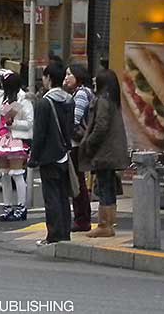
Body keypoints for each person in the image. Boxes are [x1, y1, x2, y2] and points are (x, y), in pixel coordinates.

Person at [79, 69, 130, 238]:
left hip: (104, 152)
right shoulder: (113, 101)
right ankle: (109, 223)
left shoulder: (102, 101)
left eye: (96, 80)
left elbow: (100, 126)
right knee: (108, 187)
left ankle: (104, 225)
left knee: (104, 187)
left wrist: (89, 143)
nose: (94, 82)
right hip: (112, 151)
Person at [28, 62, 75, 245]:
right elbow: (71, 128)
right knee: (63, 196)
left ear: (48, 78)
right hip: (64, 153)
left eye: (45, 77)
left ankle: (54, 235)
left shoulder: (44, 103)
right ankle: (64, 233)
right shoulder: (69, 100)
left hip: (49, 155)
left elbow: (39, 133)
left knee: (52, 197)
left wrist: (34, 157)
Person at [0, 72, 34, 221]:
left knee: (17, 173)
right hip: (1, 138)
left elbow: (30, 122)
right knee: (4, 174)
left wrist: (14, 124)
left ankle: (21, 208)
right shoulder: (1, 98)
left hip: (17, 139)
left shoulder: (23, 100)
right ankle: (8, 207)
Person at [64, 64, 95, 232]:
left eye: (70, 74)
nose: (66, 78)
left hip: (77, 144)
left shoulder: (81, 94)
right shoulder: (84, 92)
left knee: (78, 182)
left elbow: (74, 120)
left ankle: (82, 219)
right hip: (80, 143)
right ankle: (82, 218)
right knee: (80, 181)